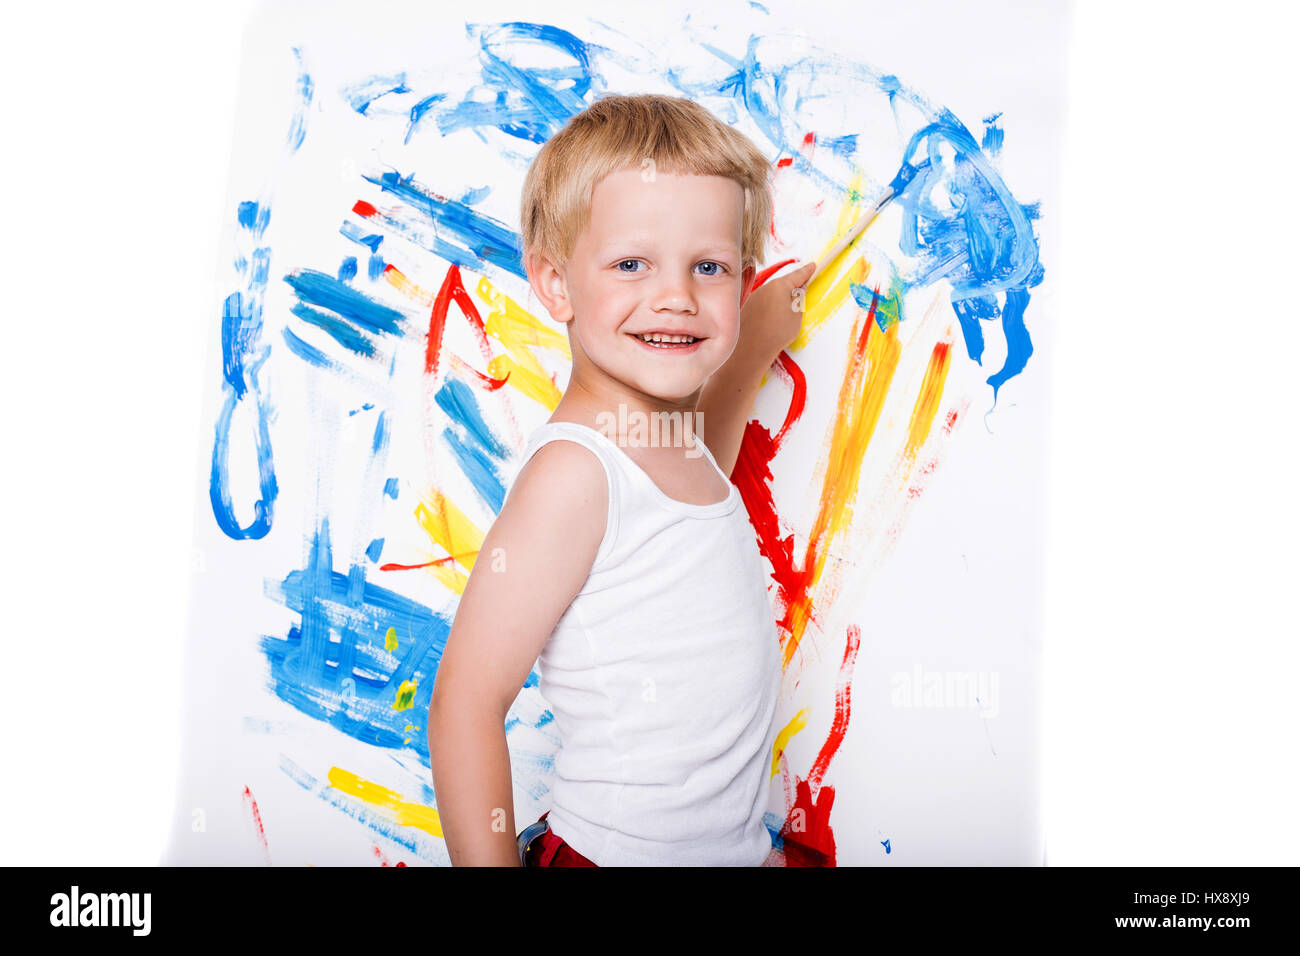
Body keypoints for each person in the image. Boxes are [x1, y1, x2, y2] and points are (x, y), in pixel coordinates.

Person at [428, 93, 816, 866]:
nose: (676, 295)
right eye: (632, 264)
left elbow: (703, 463)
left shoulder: (662, 441)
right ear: (556, 284)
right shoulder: (575, 474)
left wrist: (755, 342)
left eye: (708, 267)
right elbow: (465, 704)